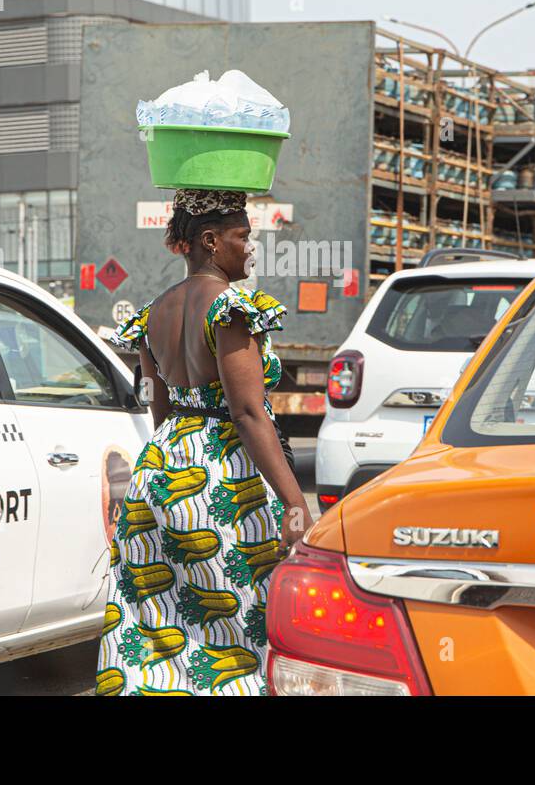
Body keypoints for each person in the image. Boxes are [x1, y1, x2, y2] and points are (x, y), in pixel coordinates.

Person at [95, 188, 313, 696]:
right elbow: (247, 411)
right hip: (220, 474)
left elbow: (160, 407)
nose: (250, 247)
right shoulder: (233, 309)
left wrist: (170, 470)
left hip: (161, 468)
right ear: (211, 242)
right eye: (242, 236)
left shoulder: (152, 313)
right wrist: (294, 501)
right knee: (233, 623)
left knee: (156, 619)